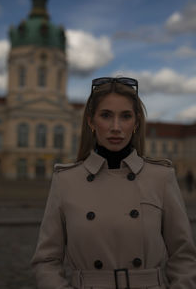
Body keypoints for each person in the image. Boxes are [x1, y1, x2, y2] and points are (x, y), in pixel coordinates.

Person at [31, 77, 196, 289]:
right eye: (106, 116)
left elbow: (184, 257)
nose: (116, 127)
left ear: (136, 123)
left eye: (125, 116)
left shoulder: (161, 177)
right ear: (91, 121)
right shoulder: (66, 181)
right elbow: (46, 261)